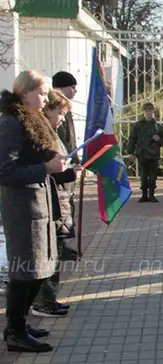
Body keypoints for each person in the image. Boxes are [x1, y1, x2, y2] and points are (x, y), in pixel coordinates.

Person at [0, 71, 76, 352]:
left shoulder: (31, 120)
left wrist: (58, 166)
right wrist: (46, 168)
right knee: (24, 272)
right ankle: (15, 332)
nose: (46, 98)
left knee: (40, 270)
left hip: (39, 205)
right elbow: (6, 171)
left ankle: (19, 323)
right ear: (24, 93)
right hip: (22, 209)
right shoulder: (11, 123)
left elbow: (39, 160)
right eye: (42, 93)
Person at [32, 89, 82, 318]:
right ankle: (44, 301)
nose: (62, 118)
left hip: (60, 200)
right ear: (49, 110)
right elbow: (48, 172)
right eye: (60, 113)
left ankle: (49, 298)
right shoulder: (43, 136)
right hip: (52, 201)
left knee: (57, 253)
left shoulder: (52, 133)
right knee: (50, 255)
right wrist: (70, 173)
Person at [51, 71, 79, 259]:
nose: (75, 91)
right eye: (72, 87)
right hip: (58, 167)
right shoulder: (53, 111)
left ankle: (63, 243)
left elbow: (69, 140)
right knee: (60, 208)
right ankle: (59, 246)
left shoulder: (65, 110)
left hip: (67, 164)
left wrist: (75, 159)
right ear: (60, 88)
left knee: (67, 204)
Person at [126, 102, 163, 203]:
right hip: (142, 154)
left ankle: (152, 194)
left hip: (154, 154)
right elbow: (132, 139)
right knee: (143, 174)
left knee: (153, 175)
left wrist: (158, 139)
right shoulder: (138, 126)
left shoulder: (158, 127)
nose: (148, 112)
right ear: (143, 112)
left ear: (153, 111)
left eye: (150, 110)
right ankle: (144, 194)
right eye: (146, 110)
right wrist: (130, 152)